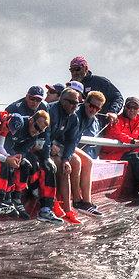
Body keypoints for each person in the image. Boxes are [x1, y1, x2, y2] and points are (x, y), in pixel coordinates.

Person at [1, 111, 62, 222]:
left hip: (14, 153)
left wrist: (20, 156)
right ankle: (6, 197)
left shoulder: (35, 134)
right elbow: (5, 144)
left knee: (28, 164)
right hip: (1, 150)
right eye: (36, 127)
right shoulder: (19, 124)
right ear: (31, 120)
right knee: (11, 164)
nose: (36, 132)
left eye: (40, 130)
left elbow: (24, 150)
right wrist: (13, 156)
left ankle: (17, 197)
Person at [44, 88, 83, 224]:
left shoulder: (73, 117)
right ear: (61, 100)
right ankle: (53, 202)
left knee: (65, 166)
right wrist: (49, 146)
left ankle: (68, 210)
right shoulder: (51, 110)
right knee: (56, 164)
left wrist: (66, 159)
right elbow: (44, 132)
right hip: (37, 142)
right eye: (71, 102)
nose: (74, 106)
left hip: (51, 145)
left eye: (77, 103)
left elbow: (72, 141)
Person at [71, 91, 106, 215]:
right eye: (91, 106)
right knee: (77, 161)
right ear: (85, 102)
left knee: (89, 161)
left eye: (97, 108)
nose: (93, 110)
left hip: (70, 144)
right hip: (60, 144)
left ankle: (87, 202)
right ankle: (77, 200)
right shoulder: (75, 114)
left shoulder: (91, 119)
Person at [67, 56, 124, 123]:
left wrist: (113, 111)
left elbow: (118, 97)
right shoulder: (70, 85)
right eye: (72, 70)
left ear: (86, 68)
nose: (74, 73)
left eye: (77, 69)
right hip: (77, 123)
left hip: (99, 125)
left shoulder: (99, 81)